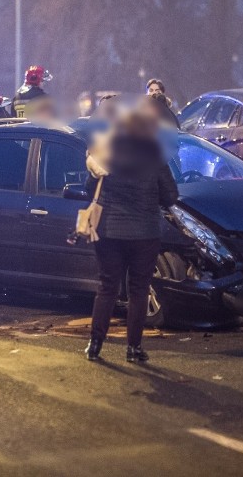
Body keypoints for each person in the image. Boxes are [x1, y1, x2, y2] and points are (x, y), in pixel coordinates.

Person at [84, 111, 178, 363]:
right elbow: (171, 196)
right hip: (145, 233)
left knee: (107, 287)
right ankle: (134, 348)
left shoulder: (105, 153)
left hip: (109, 232)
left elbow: (89, 189)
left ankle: (95, 344)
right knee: (138, 291)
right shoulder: (155, 155)